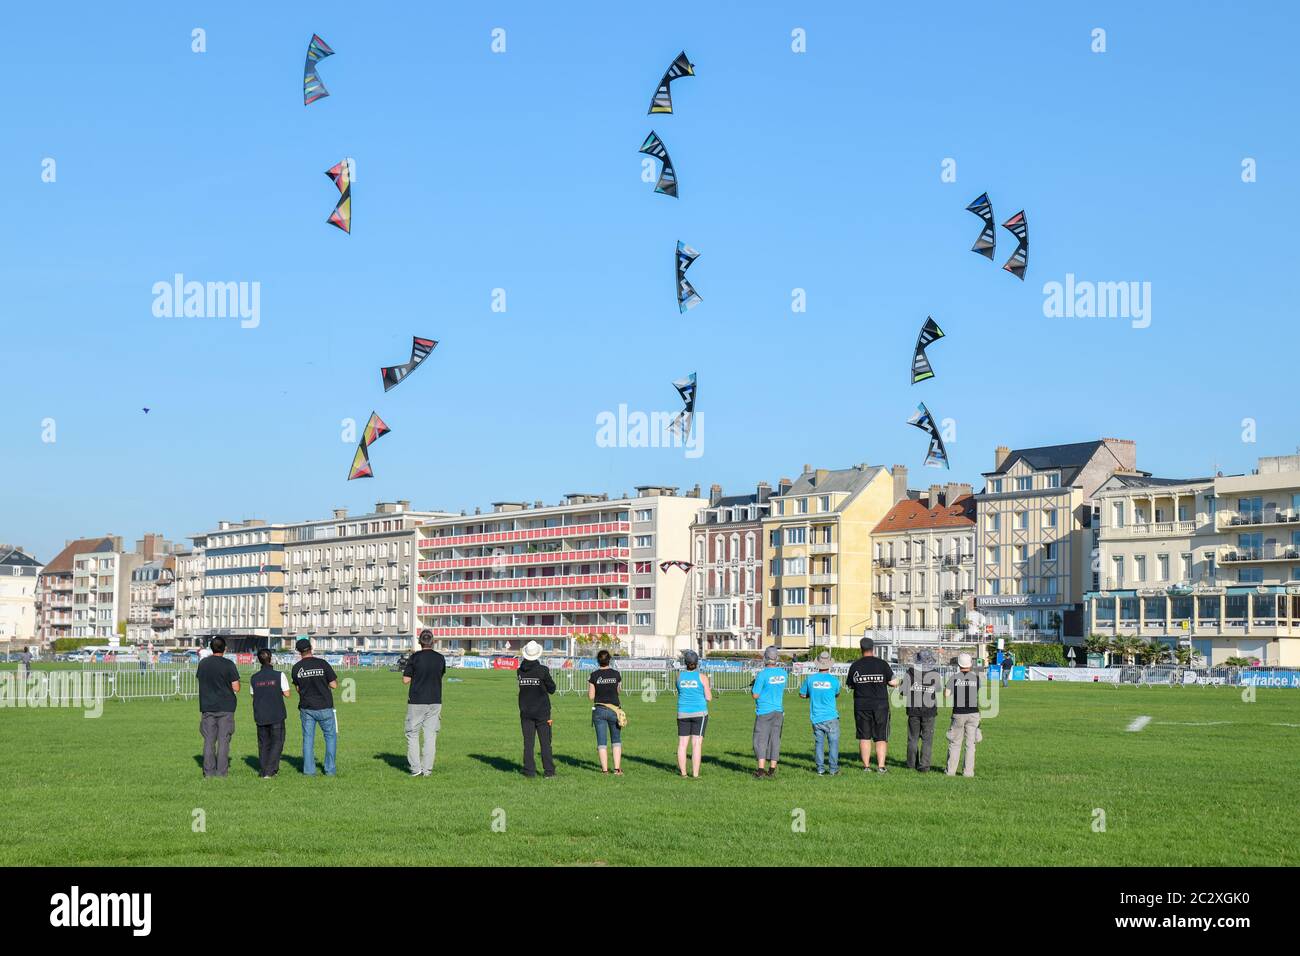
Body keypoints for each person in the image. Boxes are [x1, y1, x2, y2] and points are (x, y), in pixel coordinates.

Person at [846, 637, 900, 773]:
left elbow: (850, 685)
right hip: (880, 705)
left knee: (864, 736)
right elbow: (893, 682)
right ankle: (881, 766)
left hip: (861, 705)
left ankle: (866, 766)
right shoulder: (882, 664)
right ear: (873, 648)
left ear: (861, 649)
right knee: (881, 736)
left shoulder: (855, 666)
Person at [291, 638, 339, 776]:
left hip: (307, 707)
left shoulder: (296, 668)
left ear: (299, 652)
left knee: (308, 739)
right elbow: (334, 685)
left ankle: (309, 771)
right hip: (325, 706)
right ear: (311, 648)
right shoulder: (322, 664)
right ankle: (330, 770)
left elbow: (298, 689)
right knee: (330, 737)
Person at [196, 637, 241, 778]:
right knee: (224, 740)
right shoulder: (229, 664)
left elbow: (201, 680)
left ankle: (208, 772)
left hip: (208, 706)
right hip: (226, 707)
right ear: (225, 648)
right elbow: (236, 687)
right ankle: (222, 772)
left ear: (211, 648)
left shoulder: (203, 664)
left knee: (209, 740)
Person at [517, 640, 557, 777]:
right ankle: (549, 772)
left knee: (528, 743)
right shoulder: (543, 671)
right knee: (545, 743)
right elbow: (552, 689)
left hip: (526, 710)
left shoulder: (520, 671)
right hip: (542, 712)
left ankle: (529, 771)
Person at [798, 651, 842, 775]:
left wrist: (810, 695)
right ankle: (833, 769)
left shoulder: (810, 679)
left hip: (816, 717)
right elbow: (837, 694)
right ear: (829, 664)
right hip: (831, 716)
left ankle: (820, 769)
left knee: (819, 743)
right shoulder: (834, 680)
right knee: (833, 743)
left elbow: (802, 694)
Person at [249, 648, 290, 778]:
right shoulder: (280, 675)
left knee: (263, 743)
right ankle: (269, 771)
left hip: (260, 713)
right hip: (276, 713)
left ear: (258, 660)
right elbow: (287, 694)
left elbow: (253, 694)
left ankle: (265, 769)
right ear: (271, 658)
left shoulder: (254, 677)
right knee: (277, 742)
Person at [750, 645, 787, 778]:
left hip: (764, 711)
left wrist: (754, 685)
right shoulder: (783, 673)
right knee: (775, 739)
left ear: (765, 658)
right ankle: (772, 769)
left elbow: (755, 695)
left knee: (760, 739)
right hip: (778, 711)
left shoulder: (762, 674)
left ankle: (761, 769)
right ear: (776, 658)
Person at [675, 650, 712, 777]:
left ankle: (683, 773)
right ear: (697, 663)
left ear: (685, 663)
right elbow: (709, 697)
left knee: (682, 744)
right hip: (699, 713)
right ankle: (695, 774)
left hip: (683, 712)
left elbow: (680, 691)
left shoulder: (679, 677)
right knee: (696, 744)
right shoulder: (703, 677)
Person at [945, 653, 982, 777]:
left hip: (959, 712)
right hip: (973, 712)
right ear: (970, 664)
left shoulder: (954, 677)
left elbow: (946, 694)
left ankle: (951, 771)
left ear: (959, 664)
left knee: (955, 743)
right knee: (970, 745)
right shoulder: (976, 678)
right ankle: (968, 772)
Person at [587, 648, 624, 775]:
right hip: (614, 709)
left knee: (601, 741)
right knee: (616, 740)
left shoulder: (594, 675)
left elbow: (591, 696)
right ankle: (617, 769)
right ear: (609, 660)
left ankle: (604, 770)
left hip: (599, 710)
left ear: (598, 661)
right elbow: (619, 691)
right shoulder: (616, 674)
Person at [904, 650, 940, 773]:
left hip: (913, 709)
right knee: (927, 739)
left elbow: (903, 691)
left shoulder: (910, 672)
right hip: (929, 710)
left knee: (912, 738)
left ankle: (911, 764)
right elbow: (937, 689)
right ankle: (924, 765)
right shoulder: (934, 673)